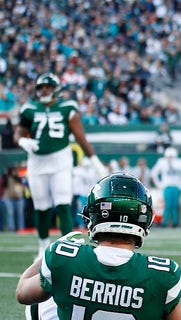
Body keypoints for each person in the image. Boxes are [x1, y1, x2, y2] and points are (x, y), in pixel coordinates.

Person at [15, 172, 181, 319]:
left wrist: (49, 252)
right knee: (175, 300)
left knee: (41, 298)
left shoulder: (62, 256)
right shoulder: (165, 273)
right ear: (145, 220)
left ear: (93, 215)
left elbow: (22, 293)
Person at [14, 72, 107, 256]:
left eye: (48, 87)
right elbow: (19, 133)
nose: (44, 90)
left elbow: (80, 137)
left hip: (60, 159)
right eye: (41, 87)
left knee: (63, 202)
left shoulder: (67, 107)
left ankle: (68, 247)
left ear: (56, 89)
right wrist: (22, 141)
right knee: (41, 205)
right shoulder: (29, 109)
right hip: (37, 161)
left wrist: (94, 159)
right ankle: (42, 246)